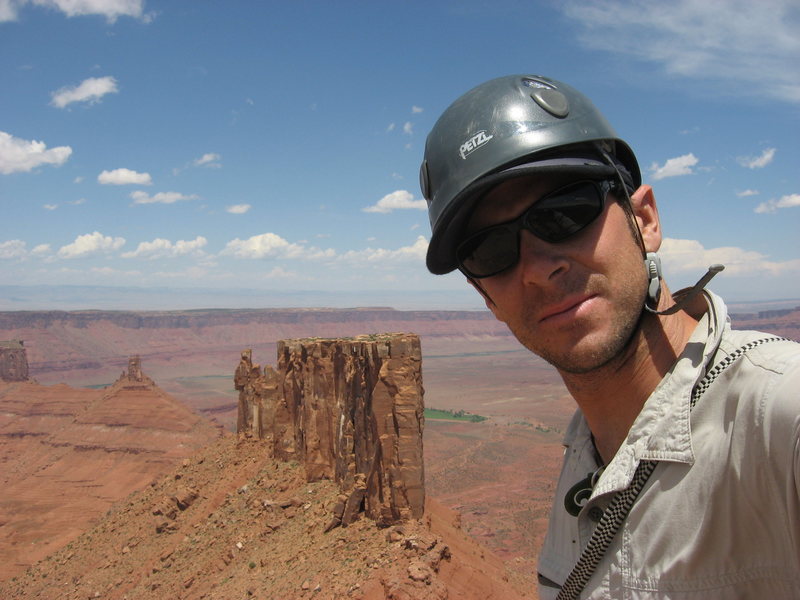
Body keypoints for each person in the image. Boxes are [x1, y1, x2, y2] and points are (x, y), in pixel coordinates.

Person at [420, 74, 800, 599]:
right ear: (486, 297)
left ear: (644, 219)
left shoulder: (777, 417)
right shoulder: (584, 452)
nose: (536, 269)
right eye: (490, 250)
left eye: (564, 213)